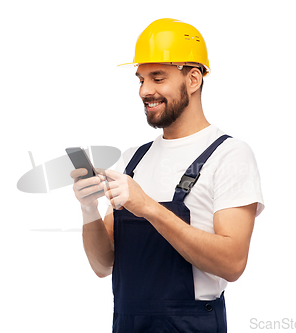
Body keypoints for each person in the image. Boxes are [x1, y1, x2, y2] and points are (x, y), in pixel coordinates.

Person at [70, 18, 264, 333]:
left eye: (158, 78)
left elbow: (232, 264)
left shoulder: (229, 155)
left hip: (191, 324)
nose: (145, 91)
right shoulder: (133, 158)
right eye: (141, 80)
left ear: (193, 79)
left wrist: (147, 206)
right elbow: (103, 265)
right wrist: (88, 208)